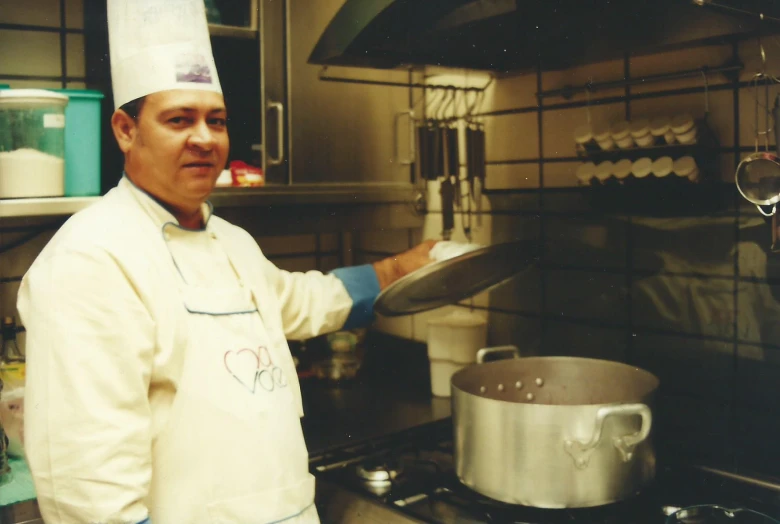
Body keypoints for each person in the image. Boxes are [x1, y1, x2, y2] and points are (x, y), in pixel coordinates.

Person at [15, 1, 436, 522]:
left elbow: (298, 301)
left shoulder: (231, 241)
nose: (204, 139)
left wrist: (399, 271)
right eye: (179, 119)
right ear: (126, 130)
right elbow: (87, 489)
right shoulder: (90, 260)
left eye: (216, 120)